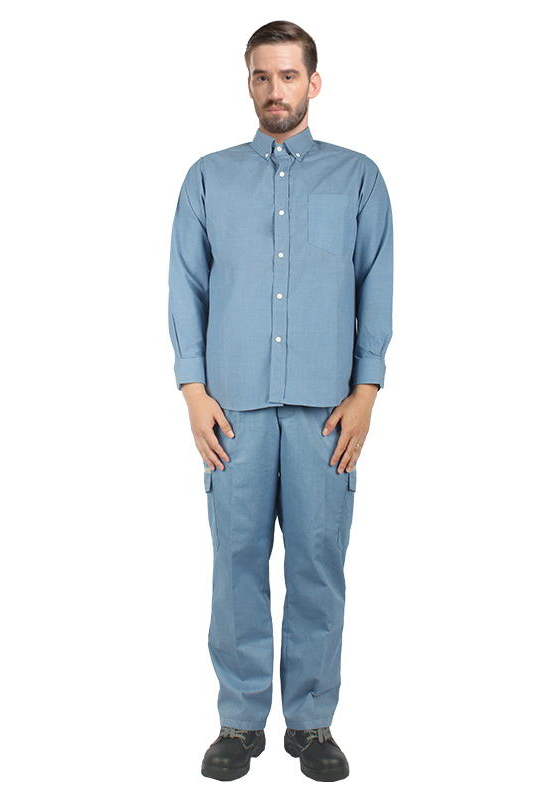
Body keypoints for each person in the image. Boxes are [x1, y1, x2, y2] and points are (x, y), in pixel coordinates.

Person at [167, 20, 393, 782]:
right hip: (231, 412)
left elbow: (377, 286)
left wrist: (366, 394)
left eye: (289, 75)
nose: (275, 90)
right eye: (262, 76)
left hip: (327, 414)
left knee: (318, 565)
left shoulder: (359, 180)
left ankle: (312, 721)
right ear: (249, 82)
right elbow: (186, 287)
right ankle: (238, 721)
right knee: (235, 563)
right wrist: (193, 392)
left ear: (313, 83)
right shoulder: (207, 179)